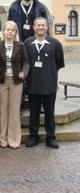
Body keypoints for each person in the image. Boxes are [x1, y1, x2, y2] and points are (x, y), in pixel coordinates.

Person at [24, 17, 64, 149]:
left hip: (49, 85)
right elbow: (25, 62)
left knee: (49, 113)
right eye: (38, 25)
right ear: (34, 27)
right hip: (33, 85)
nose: (40, 27)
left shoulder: (55, 43)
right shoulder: (28, 43)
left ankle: (50, 137)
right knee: (33, 113)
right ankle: (33, 137)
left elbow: (58, 64)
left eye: (43, 25)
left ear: (47, 27)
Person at [0, 21, 29, 149]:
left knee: (14, 111)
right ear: (3, 31)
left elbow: (26, 62)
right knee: (3, 111)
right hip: (1, 81)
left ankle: (14, 140)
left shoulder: (20, 45)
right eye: (7, 29)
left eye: (12, 30)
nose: (10, 32)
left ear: (15, 32)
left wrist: (23, 73)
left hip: (16, 82)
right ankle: (2, 139)